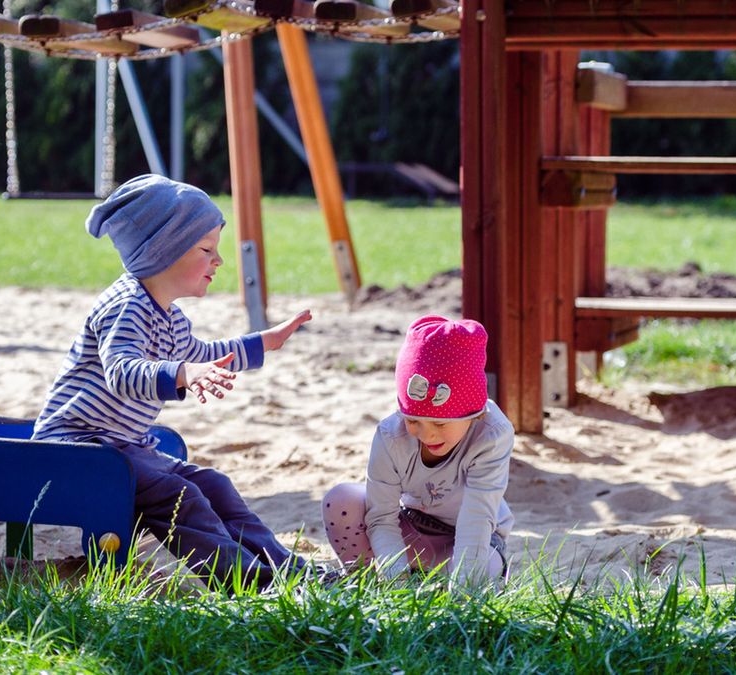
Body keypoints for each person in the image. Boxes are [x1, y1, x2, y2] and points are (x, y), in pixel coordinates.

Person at [33, 174, 312, 592]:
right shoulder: (126, 305)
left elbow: (202, 356)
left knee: (214, 484)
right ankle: (251, 583)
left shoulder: (170, 317)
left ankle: (288, 570)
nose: (218, 261)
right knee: (178, 495)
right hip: (74, 449)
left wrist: (262, 344)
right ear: (162, 253)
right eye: (206, 250)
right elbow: (122, 370)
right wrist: (181, 375)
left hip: (121, 448)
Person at [322, 315, 513, 585]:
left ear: (476, 414)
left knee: (486, 568)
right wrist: (395, 584)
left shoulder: (492, 435)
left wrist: (461, 593)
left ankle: (440, 584)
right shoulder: (391, 434)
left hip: (470, 537)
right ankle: (365, 583)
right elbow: (382, 517)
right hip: (410, 528)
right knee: (341, 499)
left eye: (440, 423)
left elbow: (477, 520)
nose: (427, 433)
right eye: (413, 420)